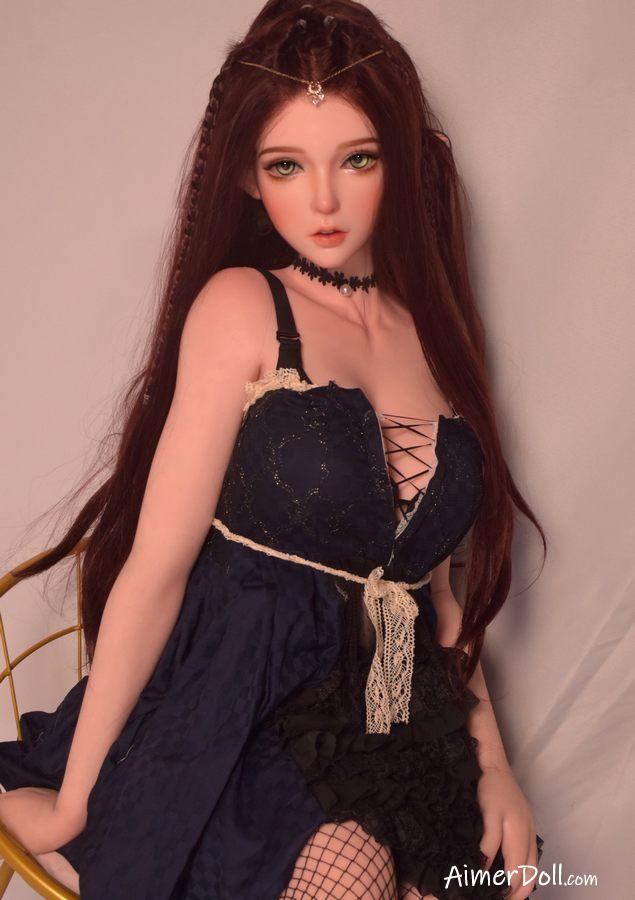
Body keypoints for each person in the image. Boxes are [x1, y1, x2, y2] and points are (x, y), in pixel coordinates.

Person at [0, 1, 546, 897]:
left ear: (401, 160)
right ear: (248, 180)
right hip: (242, 710)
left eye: (357, 158)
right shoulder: (243, 308)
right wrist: (74, 800)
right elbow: (156, 570)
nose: (323, 201)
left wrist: (496, 769)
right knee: (352, 874)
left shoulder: (432, 334)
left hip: (397, 719)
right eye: (285, 165)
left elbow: (432, 598)